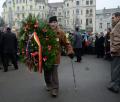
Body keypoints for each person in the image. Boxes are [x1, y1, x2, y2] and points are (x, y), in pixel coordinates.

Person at [44, 16, 74, 97]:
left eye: (55, 22)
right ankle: (48, 84)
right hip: (46, 56)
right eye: (51, 22)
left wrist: (70, 50)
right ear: (49, 23)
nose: (53, 24)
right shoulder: (44, 31)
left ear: (57, 23)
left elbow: (67, 43)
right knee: (46, 72)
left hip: (55, 57)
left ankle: (55, 89)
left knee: (54, 73)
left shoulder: (61, 33)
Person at [107, 12, 120, 93]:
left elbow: (118, 39)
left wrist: (114, 50)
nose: (112, 19)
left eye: (113, 17)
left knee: (115, 69)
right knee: (117, 69)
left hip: (117, 52)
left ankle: (114, 86)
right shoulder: (117, 25)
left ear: (118, 17)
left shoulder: (118, 25)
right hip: (117, 51)